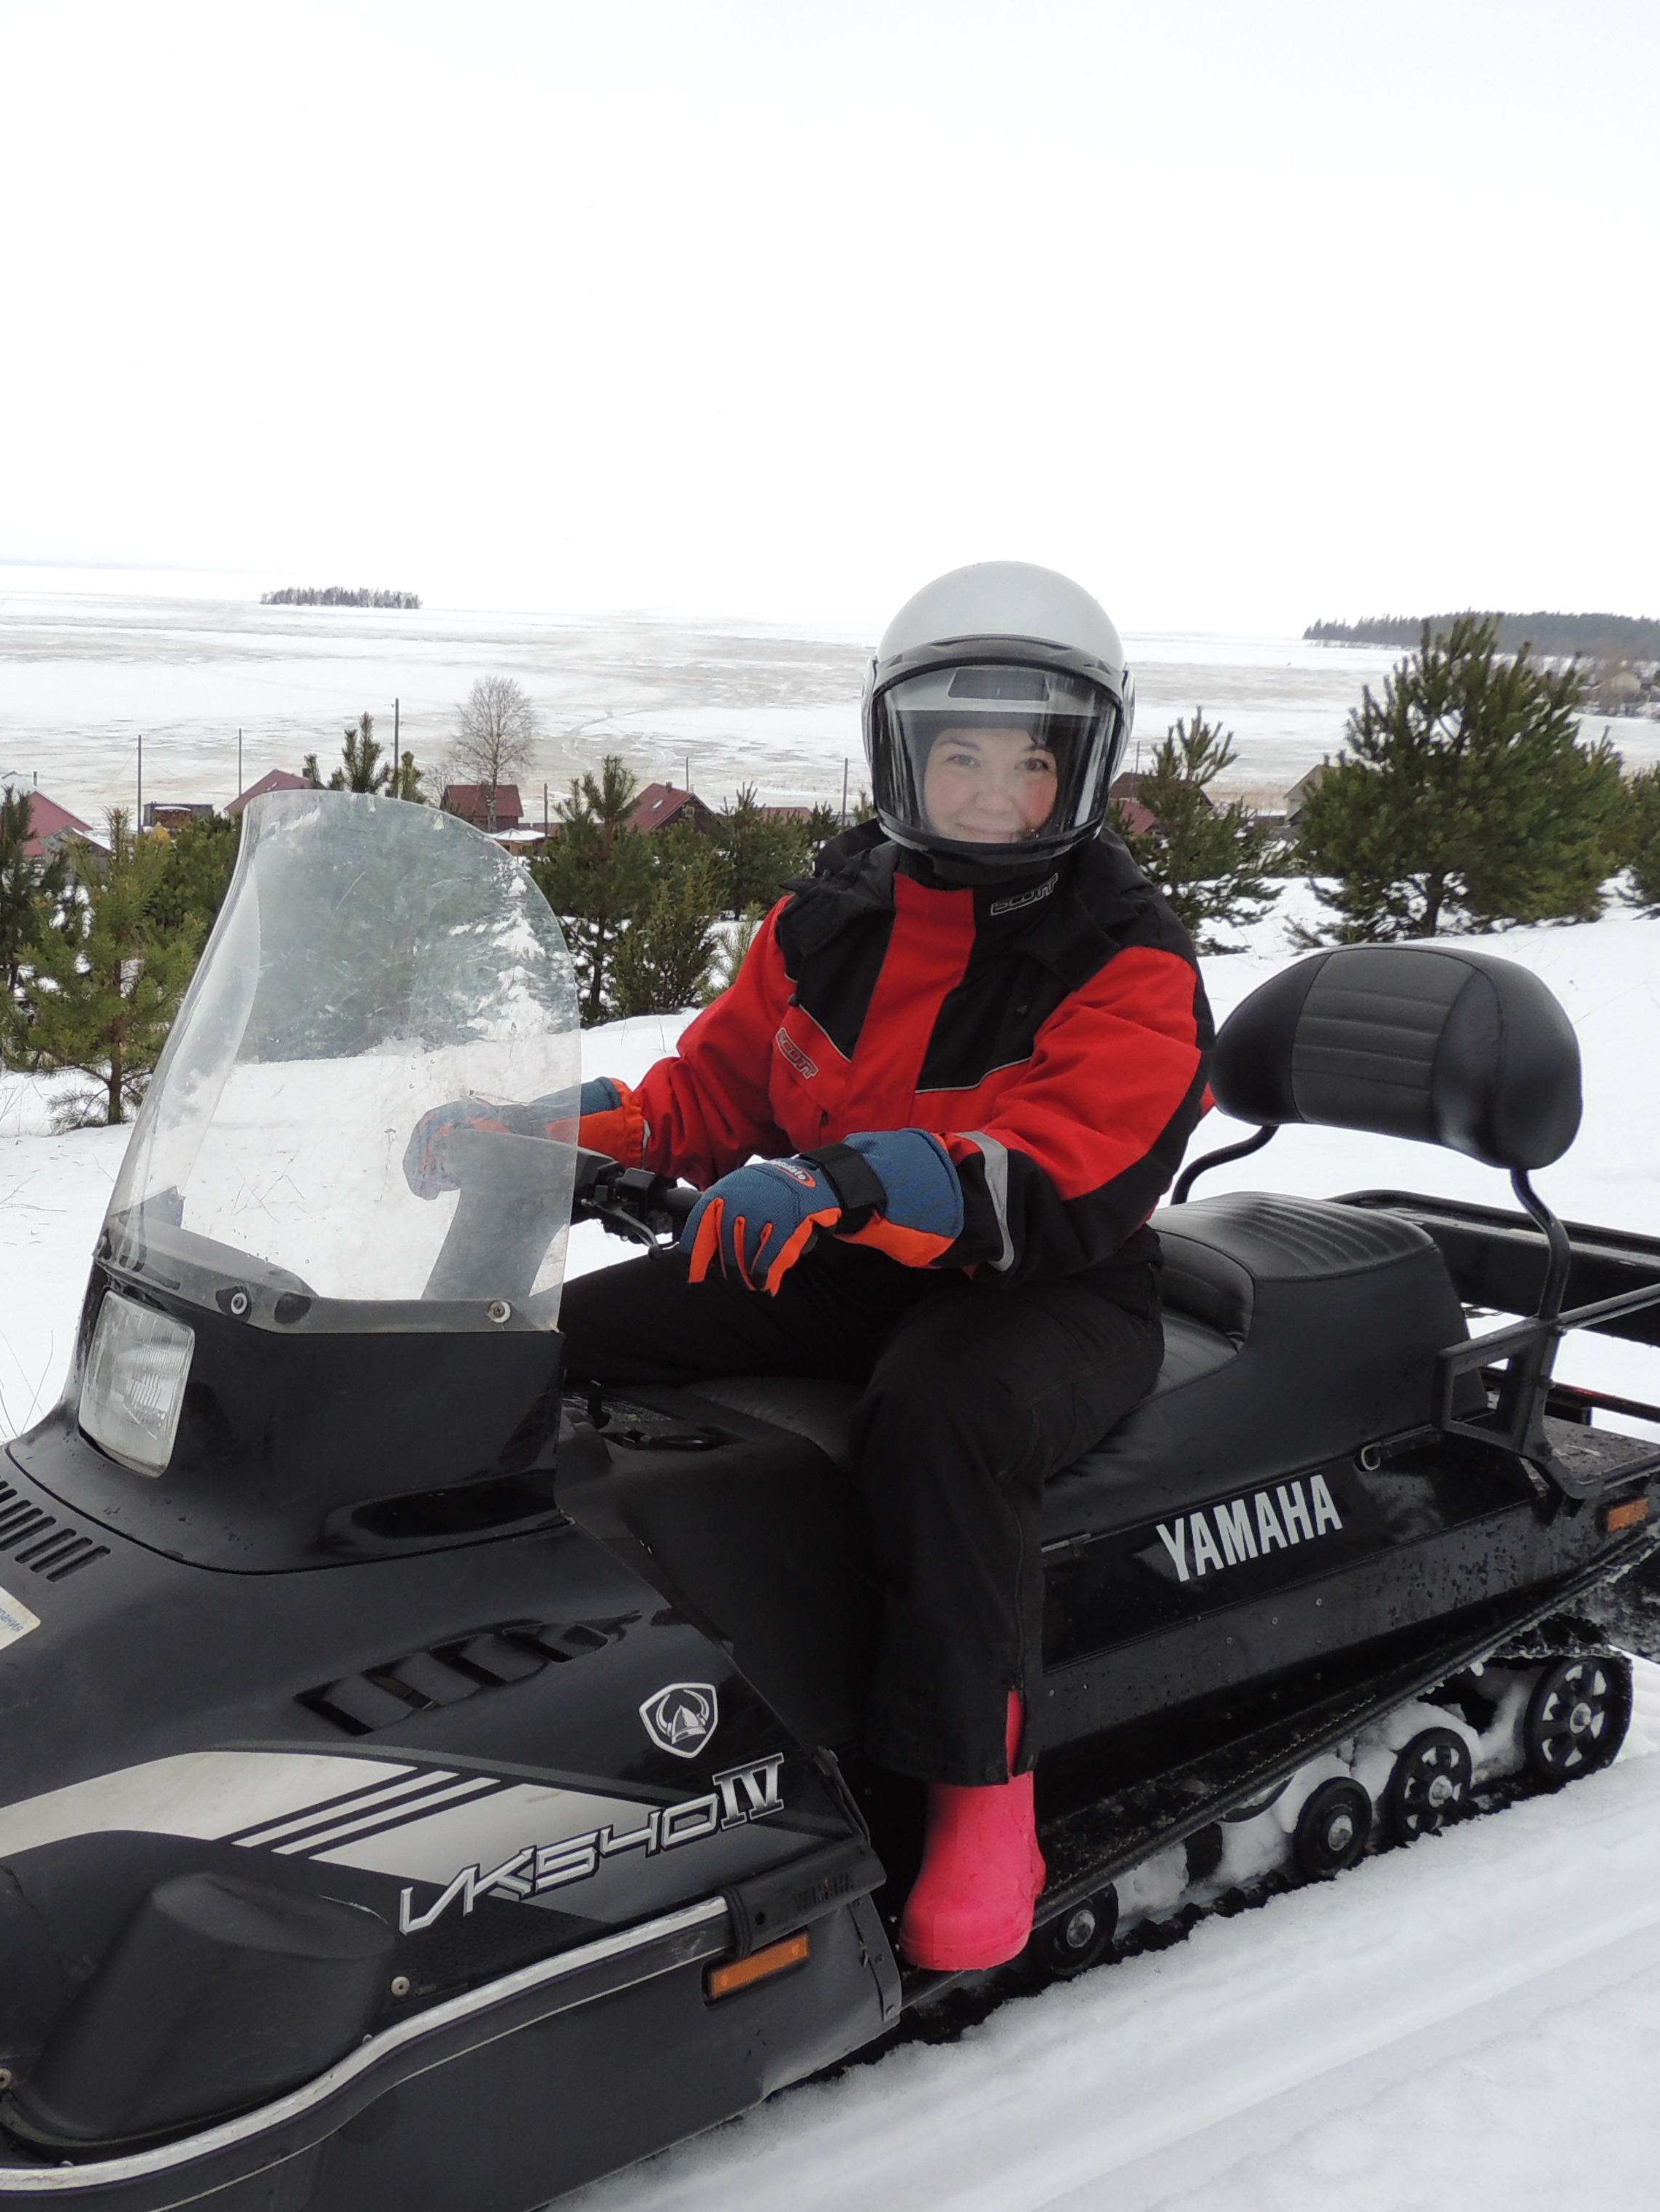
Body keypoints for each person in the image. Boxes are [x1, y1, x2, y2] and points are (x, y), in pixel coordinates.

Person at [426, 561, 1215, 1970]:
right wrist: (544, 1130)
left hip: (1049, 1291)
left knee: (942, 1423)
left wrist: (860, 1175)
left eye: (1023, 762)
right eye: (954, 753)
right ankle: (476, 1660)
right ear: (899, 752)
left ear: (1079, 767)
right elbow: (711, 1095)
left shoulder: (1129, 958)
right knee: (560, 1340)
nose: (985, 789)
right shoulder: (827, 922)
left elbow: (1055, 1169)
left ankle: (982, 1799)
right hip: (830, 1250)